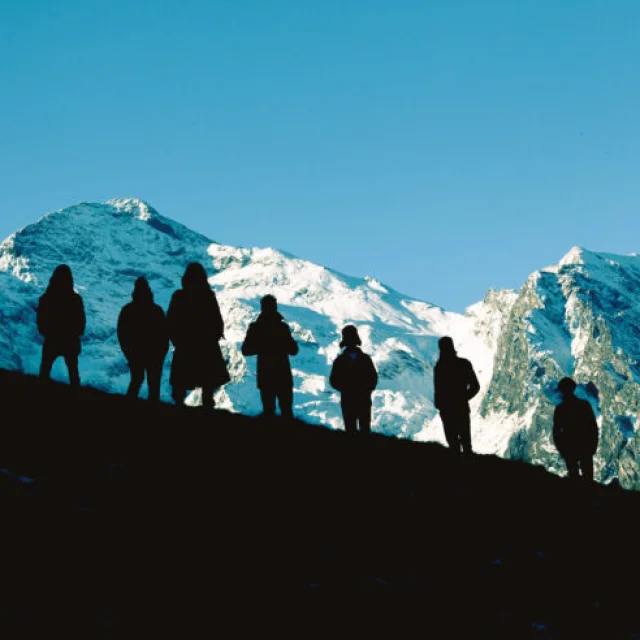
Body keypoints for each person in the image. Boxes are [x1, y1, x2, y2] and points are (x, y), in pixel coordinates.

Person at [167, 263, 230, 410]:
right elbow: (217, 320)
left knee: (181, 378)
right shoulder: (208, 296)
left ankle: (178, 405)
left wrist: (177, 340)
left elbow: (170, 321)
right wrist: (213, 338)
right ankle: (207, 406)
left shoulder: (179, 296)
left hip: (185, 344)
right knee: (207, 379)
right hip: (206, 345)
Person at [241, 295, 298, 418]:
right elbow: (294, 350)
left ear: (262, 308)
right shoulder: (283, 328)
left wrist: (262, 347)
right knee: (286, 411)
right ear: (275, 307)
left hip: (265, 374)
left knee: (268, 411)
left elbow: (246, 350)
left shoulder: (255, 328)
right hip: (283, 374)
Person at [117, 276, 169, 402]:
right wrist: (161, 353)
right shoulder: (157, 310)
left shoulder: (127, 310)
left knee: (136, 381)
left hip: (135, 353)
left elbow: (122, 334)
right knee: (154, 385)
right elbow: (164, 334)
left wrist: (128, 353)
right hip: (154, 355)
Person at [37, 264, 86, 386]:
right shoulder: (76, 299)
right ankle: (76, 400)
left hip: (51, 339)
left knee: (45, 371)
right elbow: (81, 322)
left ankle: (38, 398)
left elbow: (40, 320)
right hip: (70, 341)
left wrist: (47, 332)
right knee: (73, 374)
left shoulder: (46, 298)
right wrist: (75, 333)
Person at [433, 336, 480, 454]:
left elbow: (438, 390)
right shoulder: (463, 364)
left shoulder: (439, 367)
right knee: (466, 444)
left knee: (453, 444)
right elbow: (475, 386)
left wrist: (440, 404)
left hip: (447, 410)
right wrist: (463, 398)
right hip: (460, 408)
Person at [329, 325, 378, 435]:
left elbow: (333, 381)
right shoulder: (365, 359)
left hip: (348, 399)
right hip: (363, 399)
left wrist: (345, 389)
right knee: (364, 430)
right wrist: (366, 389)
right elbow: (373, 378)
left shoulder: (340, 360)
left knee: (351, 430)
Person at [552, 377, 599, 481]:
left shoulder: (560, 409)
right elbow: (593, 427)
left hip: (569, 447)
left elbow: (556, 432)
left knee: (574, 479)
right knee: (588, 479)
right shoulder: (584, 405)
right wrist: (593, 445)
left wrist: (562, 449)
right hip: (585, 445)